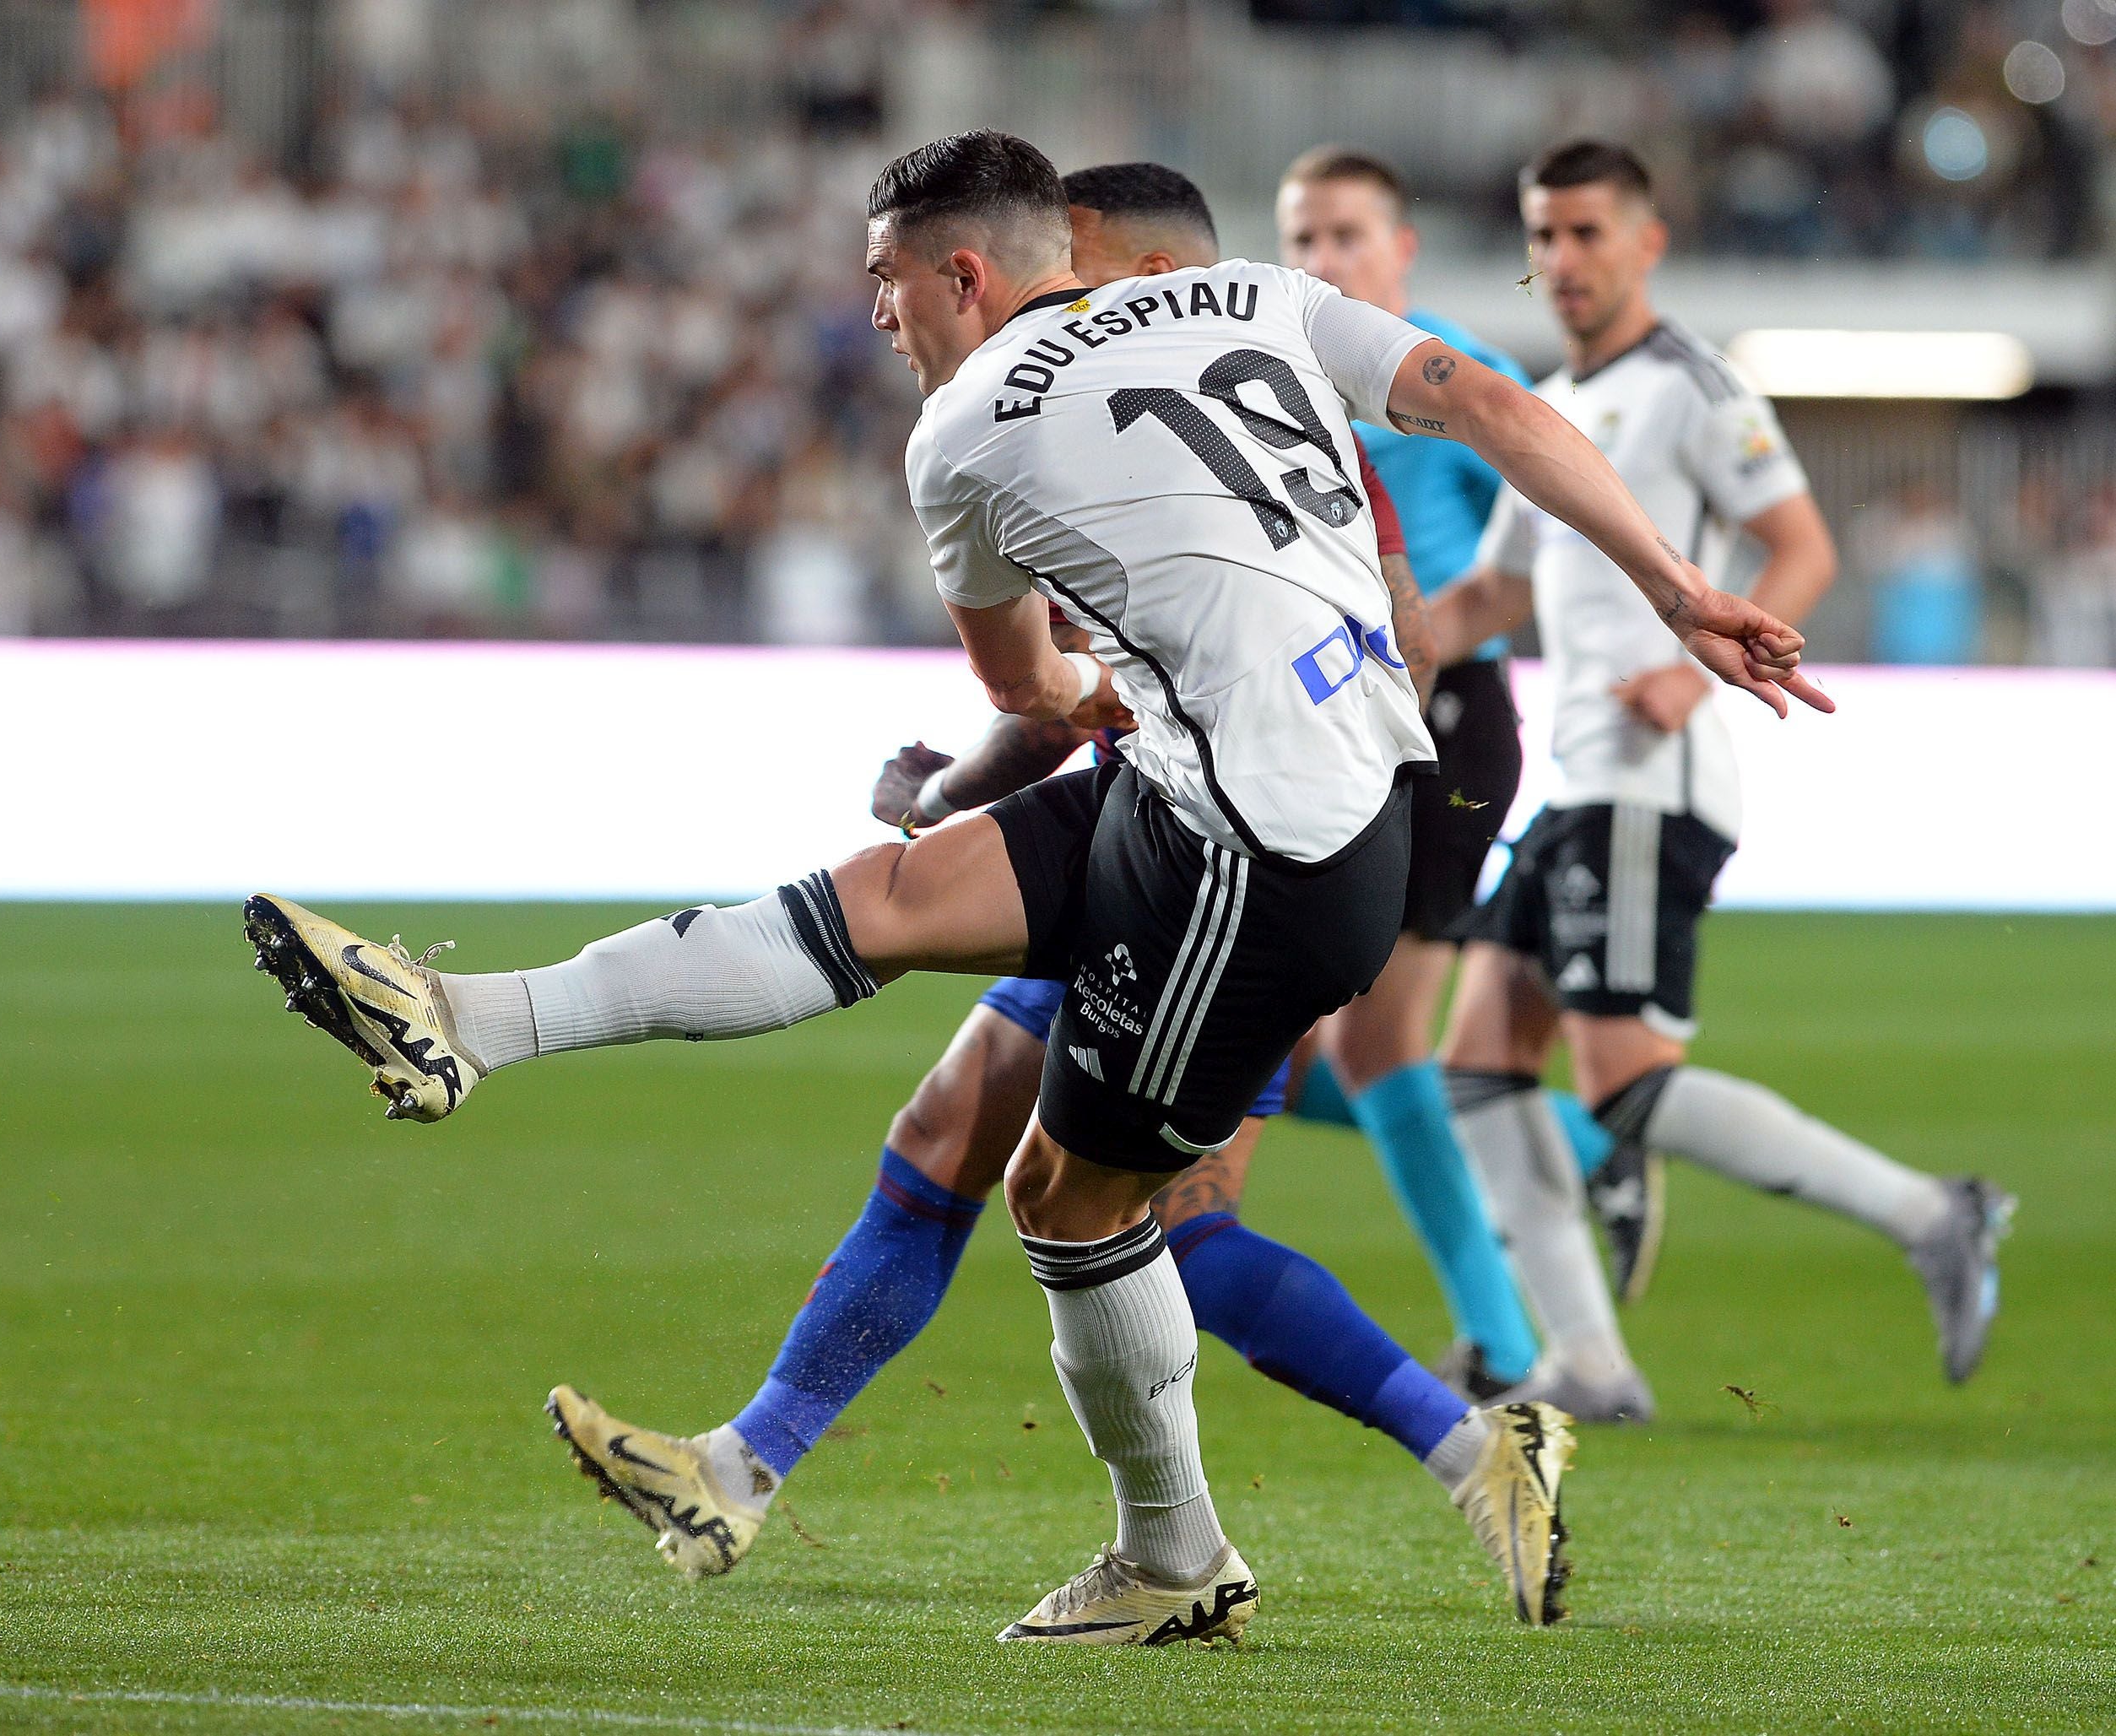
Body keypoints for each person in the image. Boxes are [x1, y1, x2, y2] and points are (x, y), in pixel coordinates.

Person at [246, 129, 1825, 1645]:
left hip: (1262, 857)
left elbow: (1031, 681)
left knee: (1072, 1204)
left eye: (884, 279)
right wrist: (1679, 585)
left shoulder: (964, 430)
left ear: (962, 280)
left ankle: (1186, 1548)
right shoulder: (1257, 296)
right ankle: (461, 1018)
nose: (870, 312)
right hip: (1235, 788)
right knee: (891, 898)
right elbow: (1476, 396)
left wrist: (1037, 713)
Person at [545, 163, 1563, 1626]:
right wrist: (976, 790)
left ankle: (1467, 1445)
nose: (1055, 305)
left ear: (1141, 267)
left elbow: (1281, 662)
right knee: (957, 1134)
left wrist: (974, 788)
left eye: (1077, 268)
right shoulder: (1097, 411)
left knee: (1161, 1225)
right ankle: (742, 1466)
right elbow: (1076, 696)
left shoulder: (1200, 406)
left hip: (1251, 856)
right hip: (1147, 838)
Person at [1427, 138, 2012, 1425]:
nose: (1561, 259)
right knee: (1474, 1061)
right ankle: (1586, 1357)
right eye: (1544, 234)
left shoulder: (1693, 385)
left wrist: (1692, 678)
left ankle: (1933, 1212)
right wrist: (1365, 640)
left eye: (1587, 232)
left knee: (1622, 1080)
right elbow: (1490, 591)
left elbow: (1797, 545)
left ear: (1647, 242)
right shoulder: (1547, 403)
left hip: (1650, 773)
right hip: (1578, 779)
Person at [1276, 145, 1601, 1398]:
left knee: (1372, 1043)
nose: (1323, 263)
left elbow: (1563, 513)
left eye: (1347, 236)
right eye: (1301, 240)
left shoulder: (1458, 375)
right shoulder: (1274, 379)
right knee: (1321, 1051)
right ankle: (1583, 1144)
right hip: (1333, 726)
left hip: (1445, 716)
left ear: (1401, 249)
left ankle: (1508, 1343)